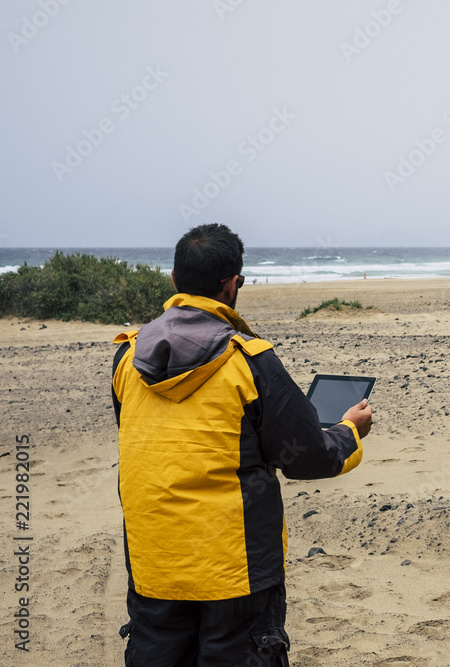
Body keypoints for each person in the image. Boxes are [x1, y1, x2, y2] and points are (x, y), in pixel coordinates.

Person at [112, 223, 372, 666]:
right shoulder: (248, 361)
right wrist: (348, 431)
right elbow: (307, 457)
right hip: (235, 567)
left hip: (154, 560)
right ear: (233, 285)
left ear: (174, 281)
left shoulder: (127, 358)